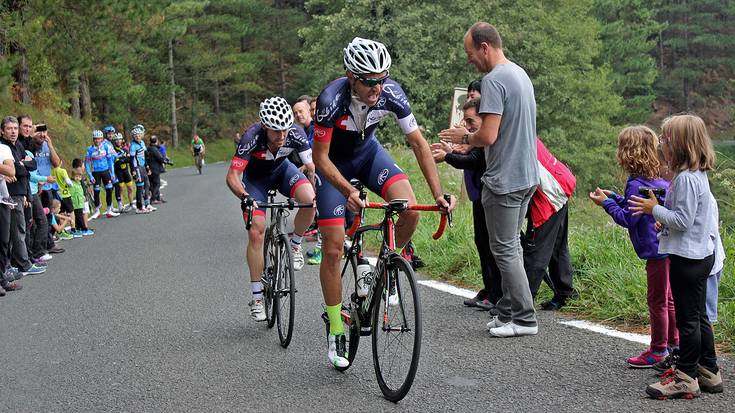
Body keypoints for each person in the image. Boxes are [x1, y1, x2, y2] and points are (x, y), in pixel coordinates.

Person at [313, 37, 453, 368]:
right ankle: (336, 328)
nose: (376, 87)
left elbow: (418, 144)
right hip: (334, 166)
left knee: (410, 211)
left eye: (382, 79)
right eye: (368, 81)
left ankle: (383, 270)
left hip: (369, 156)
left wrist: (437, 194)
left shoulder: (391, 92)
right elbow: (319, 157)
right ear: (351, 75)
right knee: (333, 248)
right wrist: (348, 190)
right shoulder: (330, 100)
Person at [440, 22, 539, 338]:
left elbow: (488, 134)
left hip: (504, 177)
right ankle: (507, 310)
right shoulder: (519, 74)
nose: (470, 60)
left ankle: (524, 318)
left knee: (505, 249)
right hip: (527, 174)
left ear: (485, 47)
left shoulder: (494, 81)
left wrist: (464, 135)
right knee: (512, 247)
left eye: (471, 53)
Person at [629, 114, 723, 399]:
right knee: (700, 317)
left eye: (665, 138)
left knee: (688, 321)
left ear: (679, 145)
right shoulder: (698, 175)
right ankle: (709, 370)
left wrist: (653, 209)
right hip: (701, 253)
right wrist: (665, 219)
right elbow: (690, 219)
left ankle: (686, 376)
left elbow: (682, 220)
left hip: (687, 258)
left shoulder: (683, 180)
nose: (661, 143)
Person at [589, 126, 677, 368]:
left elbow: (628, 218)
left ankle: (659, 349)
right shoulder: (658, 181)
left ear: (627, 152)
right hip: (669, 247)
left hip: (654, 250)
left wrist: (606, 203)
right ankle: (674, 343)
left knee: (657, 300)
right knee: (669, 299)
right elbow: (635, 207)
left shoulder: (636, 183)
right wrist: (616, 197)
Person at [225, 96, 316, 321]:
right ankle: (257, 298)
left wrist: (315, 192)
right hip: (256, 181)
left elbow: (312, 167)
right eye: (276, 131)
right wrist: (245, 197)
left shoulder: (295, 133)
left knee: (310, 200)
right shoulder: (251, 137)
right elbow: (232, 176)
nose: (281, 136)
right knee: (257, 230)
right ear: (265, 126)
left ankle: (294, 246)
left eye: (284, 130)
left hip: (283, 171)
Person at [432, 98, 501, 310]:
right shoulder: (478, 139)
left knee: (495, 247)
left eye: (471, 121)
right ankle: (491, 292)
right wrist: (451, 152)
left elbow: (474, 160)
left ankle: (499, 295)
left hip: (492, 197)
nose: (468, 126)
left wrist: (447, 156)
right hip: (480, 197)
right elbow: (471, 156)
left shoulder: (488, 138)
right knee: (483, 243)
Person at [522, 137, 576, 310]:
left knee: (536, 249)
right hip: (559, 180)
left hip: (549, 191)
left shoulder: (505, 129)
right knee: (557, 245)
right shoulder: (521, 123)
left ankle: (522, 303)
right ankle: (565, 294)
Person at [0, 116, 45, 276]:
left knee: (20, 228)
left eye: (15, 129)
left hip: (22, 191)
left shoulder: (18, 144)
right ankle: (23, 264)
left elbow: (32, 165)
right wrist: (21, 165)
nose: (13, 132)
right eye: (9, 129)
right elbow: (16, 170)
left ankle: (14, 263)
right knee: (16, 230)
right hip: (9, 193)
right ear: (2, 131)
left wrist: (22, 164)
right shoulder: (3, 147)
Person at [0, 126, 20, 294]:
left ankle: (1, 278)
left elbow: (10, 170)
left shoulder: (3, 148)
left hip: (2, 199)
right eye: (10, 129)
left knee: (3, 240)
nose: (13, 131)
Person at [85, 130, 119, 219]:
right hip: (96, 172)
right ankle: (97, 211)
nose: (97, 140)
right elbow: (87, 163)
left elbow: (110, 161)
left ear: (102, 139)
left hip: (106, 171)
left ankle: (109, 210)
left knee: (109, 189)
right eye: (95, 139)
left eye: (99, 139)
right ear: (93, 139)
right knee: (96, 191)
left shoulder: (106, 147)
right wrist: (90, 175)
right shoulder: (90, 149)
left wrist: (112, 173)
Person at [129, 125, 154, 213]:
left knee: (147, 185)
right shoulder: (133, 146)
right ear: (133, 136)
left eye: (139, 135)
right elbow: (131, 160)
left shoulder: (142, 143)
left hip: (143, 166)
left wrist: (147, 167)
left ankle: (147, 204)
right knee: (140, 187)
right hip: (137, 168)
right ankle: (139, 207)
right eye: (136, 136)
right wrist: (133, 171)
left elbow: (144, 156)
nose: (138, 137)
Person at [111, 133, 134, 212]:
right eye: (116, 140)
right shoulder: (113, 150)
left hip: (126, 171)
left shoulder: (125, 149)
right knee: (120, 189)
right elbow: (114, 162)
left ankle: (131, 204)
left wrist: (122, 160)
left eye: (119, 139)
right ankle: (122, 206)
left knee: (130, 188)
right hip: (118, 172)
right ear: (114, 141)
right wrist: (121, 160)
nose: (118, 141)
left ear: (122, 140)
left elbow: (129, 160)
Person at [69, 165, 93, 236]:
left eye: (79, 177)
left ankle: (79, 228)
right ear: (73, 176)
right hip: (76, 203)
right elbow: (72, 194)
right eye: (76, 176)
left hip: (80, 203)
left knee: (79, 216)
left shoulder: (78, 183)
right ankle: (84, 229)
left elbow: (80, 191)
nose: (78, 178)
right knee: (79, 217)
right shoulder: (72, 184)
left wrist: (83, 197)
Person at [147, 136, 166, 204]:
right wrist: (165, 160)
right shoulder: (154, 149)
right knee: (157, 184)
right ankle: (153, 198)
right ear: (156, 141)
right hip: (155, 168)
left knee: (152, 184)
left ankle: (157, 198)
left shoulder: (147, 148)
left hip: (149, 168)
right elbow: (160, 158)